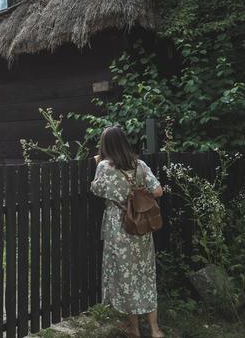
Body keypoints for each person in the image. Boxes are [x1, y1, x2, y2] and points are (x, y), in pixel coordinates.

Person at [90, 125, 165, 338]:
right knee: (145, 275)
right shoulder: (139, 164)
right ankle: (155, 330)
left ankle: (134, 328)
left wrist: (98, 167)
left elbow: (96, 189)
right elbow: (158, 190)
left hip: (119, 226)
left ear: (105, 145)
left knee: (126, 277)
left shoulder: (104, 166)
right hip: (141, 226)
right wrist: (137, 194)